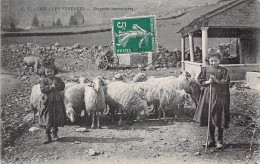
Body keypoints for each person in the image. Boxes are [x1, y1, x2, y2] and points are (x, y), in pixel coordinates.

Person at [193, 52, 230, 149]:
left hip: (219, 97)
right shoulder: (205, 69)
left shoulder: (223, 70)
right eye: (211, 61)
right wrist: (208, 82)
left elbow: (226, 82)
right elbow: (200, 80)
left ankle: (220, 140)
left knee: (219, 117)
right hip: (207, 96)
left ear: (219, 60)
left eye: (216, 61)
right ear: (208, 61)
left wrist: (216, 81)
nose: (214, 63)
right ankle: (211, 139)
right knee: (209, 117)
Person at [38, 58, 66, 144]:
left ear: (54, 71)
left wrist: (57, 85)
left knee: (56, 117)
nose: (49, 73)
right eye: (47, 72)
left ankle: (55, 133)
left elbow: (62, 87)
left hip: (57, 102)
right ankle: (48, 135)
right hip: (47, 102)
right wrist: (51, 87)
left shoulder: (58, 79)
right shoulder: (44, 80)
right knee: (48, 118)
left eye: (51, 71)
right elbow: (42, 90)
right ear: (44, 73)